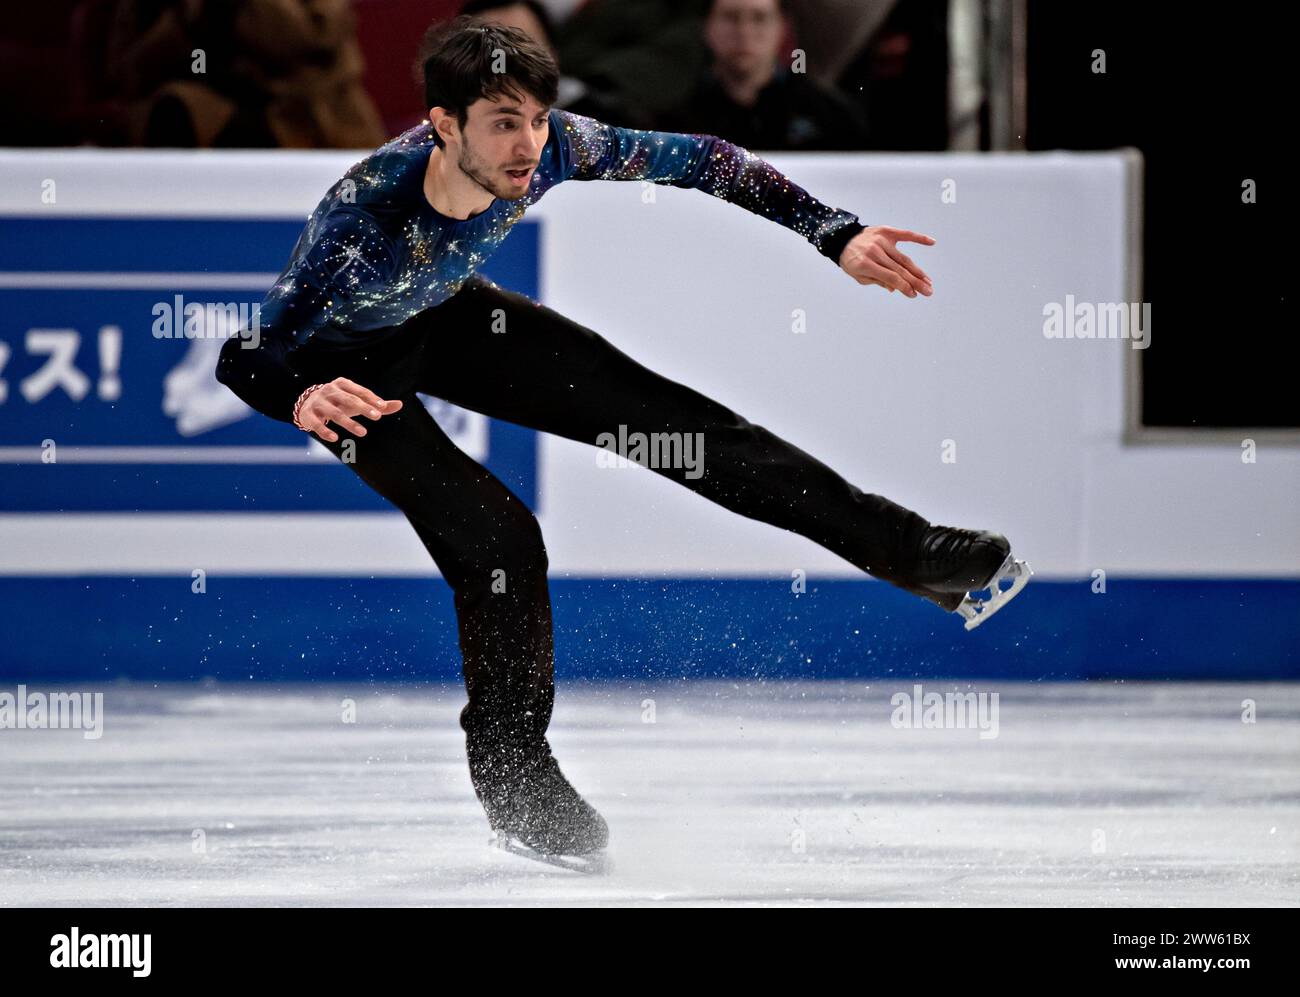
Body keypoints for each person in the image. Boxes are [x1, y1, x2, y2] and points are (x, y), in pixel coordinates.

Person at [215, 16, 1028, 861]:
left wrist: (834, 233)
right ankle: (516, 782)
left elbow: (709, 161)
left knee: (675, 425)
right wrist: (305, 395)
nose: (528, 145)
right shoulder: (365, 213)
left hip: (448, 315)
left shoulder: (558, 145)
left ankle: (915, 552)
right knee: (500, 537)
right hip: (349, 379)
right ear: (444, 125)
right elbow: (246, 356)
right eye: (502, 123)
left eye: (536, 118)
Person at [655, 0, 871, 151]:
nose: (744, 32)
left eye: (759, 18)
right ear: (707, 27)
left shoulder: (830, 118)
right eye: (731, 17)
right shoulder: (674, 122)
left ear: (782, 28)